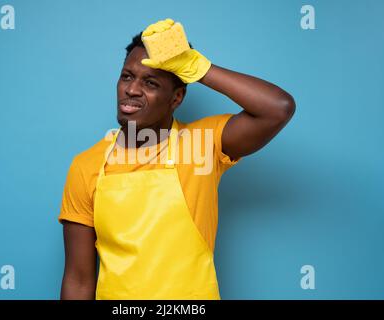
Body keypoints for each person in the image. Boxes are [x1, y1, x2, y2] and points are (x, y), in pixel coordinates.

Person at [58, 19, 295, 300]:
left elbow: (278, 108)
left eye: (150, 82)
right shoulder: (86, 165)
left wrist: (199, 69)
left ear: (176, 98)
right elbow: (79, 279)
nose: (132, 90)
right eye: (127, 76)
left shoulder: (202, 145)